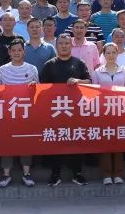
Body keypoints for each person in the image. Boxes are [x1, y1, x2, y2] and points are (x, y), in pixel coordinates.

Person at [39, 34, 91, 186]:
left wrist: (78, 81)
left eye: (67, 43)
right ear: (56, 46)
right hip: (55, 110)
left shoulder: (79, 63)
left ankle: (77, 173)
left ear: (71, 45)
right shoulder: (50, 64)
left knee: (76, 141)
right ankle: (55, 174)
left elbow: (89, 81)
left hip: (75, 110)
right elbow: (42, 87)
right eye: (61, 43)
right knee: (56, 142)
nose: (64, 46)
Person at [0, 38, 38, 187]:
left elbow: (38, 90)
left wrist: (34, 86)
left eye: (19, 50)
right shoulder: (2, 69)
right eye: (13, 51)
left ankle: (27, 173)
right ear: (9, 52)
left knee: (25, 143)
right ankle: (6, 175)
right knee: (6, 144)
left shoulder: (32, 69)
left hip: (26, 113)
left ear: (24, 52)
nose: (17, 53)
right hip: (7, 114)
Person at [92, 42, 125, 185]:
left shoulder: (124, 71)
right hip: (104, 112)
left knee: (119, 142)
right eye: (107, 53)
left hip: (121, 111)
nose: (110, 55)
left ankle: (118, 173)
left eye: (113, 52)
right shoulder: (98, 72)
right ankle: (107, 174)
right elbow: (94, 92)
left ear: (117, 54)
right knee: (106, 143)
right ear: (103, 54)